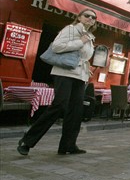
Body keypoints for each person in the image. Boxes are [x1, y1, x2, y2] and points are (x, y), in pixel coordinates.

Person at [17, 9, 97, 156]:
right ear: (79, 17)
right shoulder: (70, 29)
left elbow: (83, 56)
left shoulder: (90, 36)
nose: (90, 19)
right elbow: (56, 47)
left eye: (93, 17)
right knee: (59, 105)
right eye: (87, 16)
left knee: (76, 111)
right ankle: (27, 141)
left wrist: (86, 67)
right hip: (64, 72)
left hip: (80, 75)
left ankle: (68, 146)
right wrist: (80, 42)